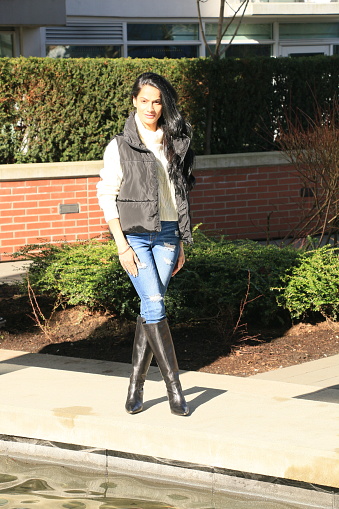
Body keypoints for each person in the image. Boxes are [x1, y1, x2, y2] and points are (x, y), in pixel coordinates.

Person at [97, 72, 195, 416]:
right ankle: (175, 391)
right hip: (136, 237)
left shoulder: (175, 141)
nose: (151, 107)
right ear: (134, 101)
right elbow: (107, 196)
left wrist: (181, 238)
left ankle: (135, 386)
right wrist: (121, 246)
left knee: (149, 309)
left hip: (168, 236)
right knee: (155, 305)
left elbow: (180, 194)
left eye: (157, 101)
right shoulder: (119, 146)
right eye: (145, 100)